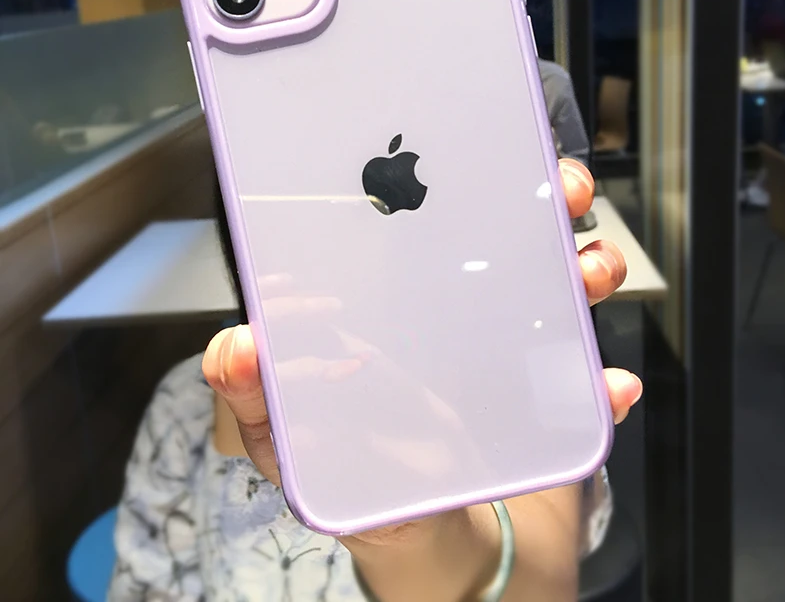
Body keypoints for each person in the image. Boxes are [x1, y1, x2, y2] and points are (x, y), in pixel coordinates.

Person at [109, 156, 640, 602]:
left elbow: (544, 579)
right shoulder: (187, 404)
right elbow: (147, 585)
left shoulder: (518, 370)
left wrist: (416, 538)